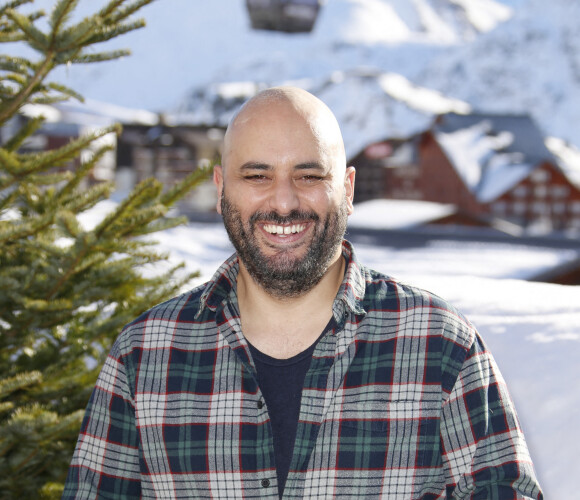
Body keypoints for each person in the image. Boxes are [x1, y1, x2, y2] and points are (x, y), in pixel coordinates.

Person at [63, 87, 543, 499]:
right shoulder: (144, 356)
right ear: (220, 188)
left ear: (348, 188)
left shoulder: (441, 347)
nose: (285, 201)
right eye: (257, 176)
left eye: (309, 176)